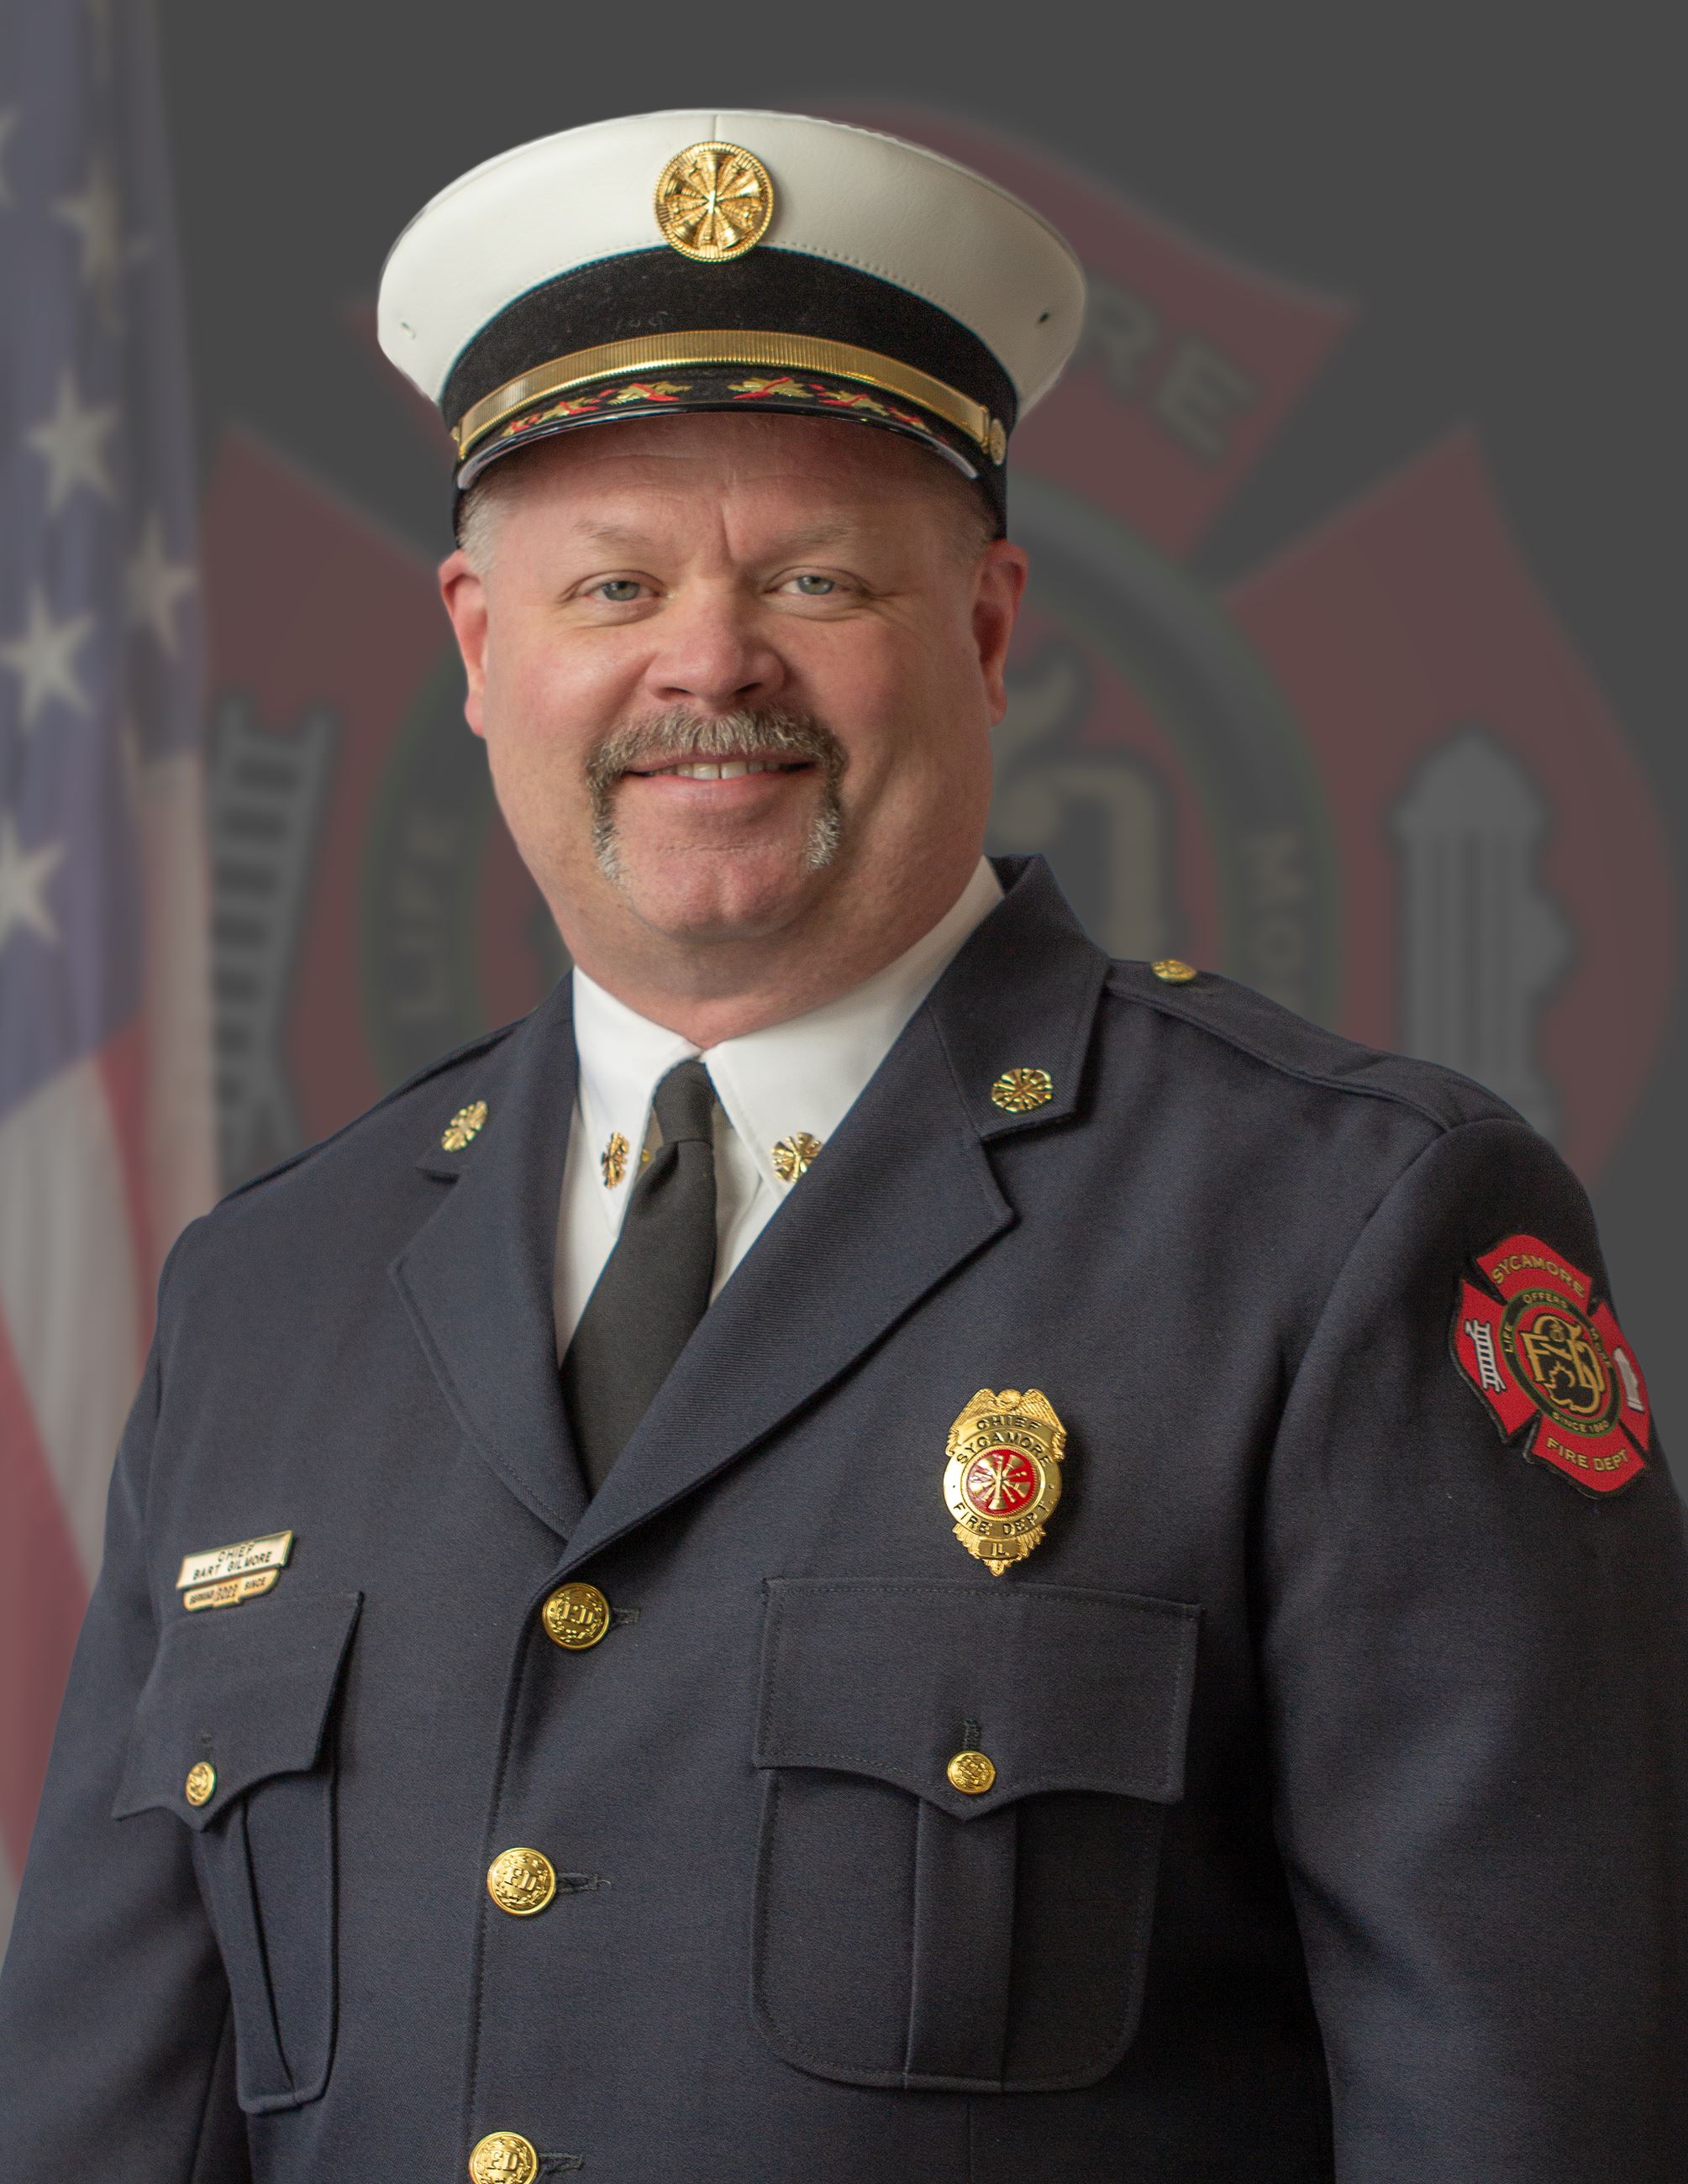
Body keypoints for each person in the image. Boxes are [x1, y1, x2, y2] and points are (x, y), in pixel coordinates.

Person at [1, 108, 1684, 2184]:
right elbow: (94, 2123)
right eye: (614, 581)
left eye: (813, 577)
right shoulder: (267, 1294)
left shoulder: (1343, 1235)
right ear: (475, 646)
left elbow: (1541, 2123)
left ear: (983, 627)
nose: (708, 663)